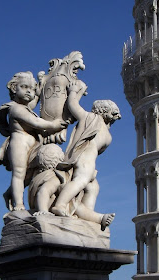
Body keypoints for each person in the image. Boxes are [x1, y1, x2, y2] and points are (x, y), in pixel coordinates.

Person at [51, 81, 121, 229]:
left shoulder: (106, 132)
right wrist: (74, 91)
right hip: (84, 157)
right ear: (102, 111)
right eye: (113, 112)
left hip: (90, 161)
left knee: (93, 187)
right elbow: (73, 105)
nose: (117, 116)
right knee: (81, 181)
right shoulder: (90, 118)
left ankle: (88, 216)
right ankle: (60, 204)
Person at [0, 71, 67, 211]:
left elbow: (32, 103)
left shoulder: (25, 107)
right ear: (14, 89)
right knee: (19, 173)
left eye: (32, 89)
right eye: (24, 87)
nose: (29, 91)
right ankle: (19, 205)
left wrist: (39, 91)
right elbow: (36, 122)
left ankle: (9, 193)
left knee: (28, 175)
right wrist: (53, 125)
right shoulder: (15, 109)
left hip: (33, 144)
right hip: (19, 144)